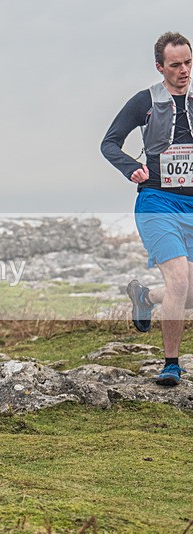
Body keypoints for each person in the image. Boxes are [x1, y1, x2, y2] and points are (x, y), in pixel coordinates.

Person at [102, 31, 193, 387]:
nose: (184, 70)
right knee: (180, 280)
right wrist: (130, 167)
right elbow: (109, 143)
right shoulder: (146, 101)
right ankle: (172, 364)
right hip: (156, 201)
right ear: (160, 67)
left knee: (185, 294)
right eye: (175, 65)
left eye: (188, 62)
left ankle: (145, 297)